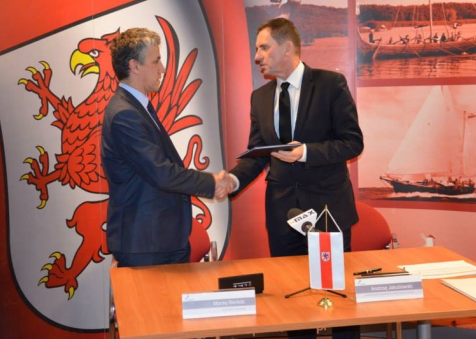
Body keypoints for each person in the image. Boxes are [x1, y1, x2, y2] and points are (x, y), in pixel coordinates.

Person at [228, 18, 364, 339]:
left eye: (264, 48)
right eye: (256, 49)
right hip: (282, 213)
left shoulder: (331, 84)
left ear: (287, 47)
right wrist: (232, 181)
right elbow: (258, 153)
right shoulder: (259, 97)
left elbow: (352, 143)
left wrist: (305, 152)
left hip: (328, 211)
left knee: (338, 299)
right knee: (290, 300)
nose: (257, 56)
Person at [101, 27, 233, 267]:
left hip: (162, 239)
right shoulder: (124, 114)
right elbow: (161, 172)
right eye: (156, 61)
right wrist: (212, 182)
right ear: (134, 66)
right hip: (146, 244)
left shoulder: (136, 107)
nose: (162, 68)